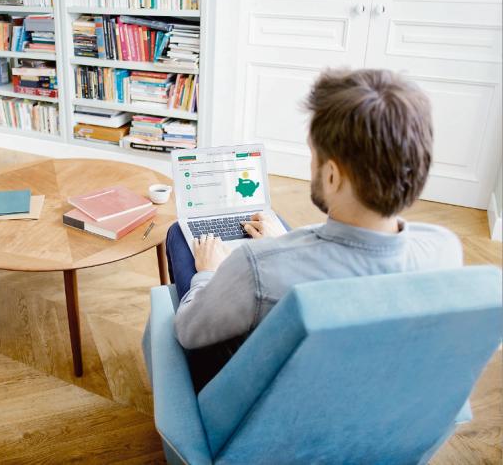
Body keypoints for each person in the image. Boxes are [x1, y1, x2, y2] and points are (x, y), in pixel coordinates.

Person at [166, 68, 463, 391]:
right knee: (276, 222)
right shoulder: (444, 250)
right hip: (372, 395)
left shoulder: (255, 268)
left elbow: (189, 332)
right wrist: (285, 243)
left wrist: (208, 274)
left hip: (255, 399)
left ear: (332, 175)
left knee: (180, 236)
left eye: (313, 154)